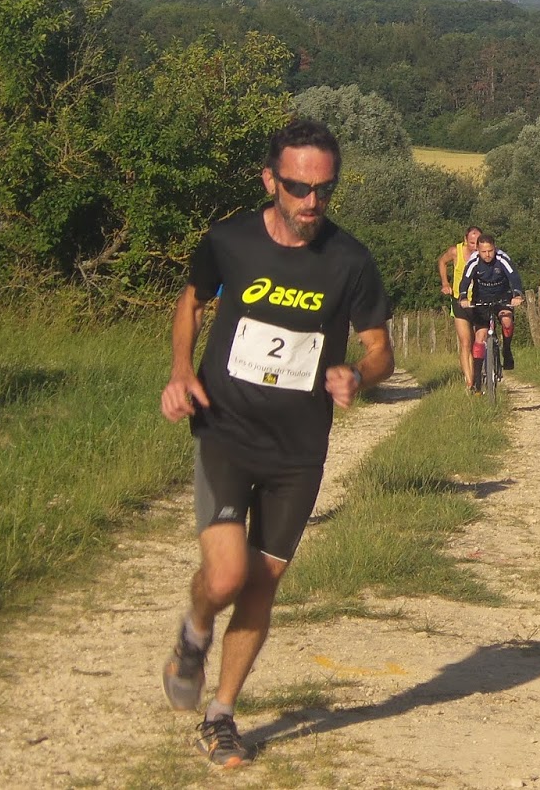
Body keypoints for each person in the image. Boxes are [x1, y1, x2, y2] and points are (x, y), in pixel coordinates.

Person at [158, 118, 393, 768]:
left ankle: (221, 714)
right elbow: (192, 302)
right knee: (226, 576)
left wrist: (359, 375)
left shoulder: (350, 261)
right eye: (297, 187)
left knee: (262, 584)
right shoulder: (229, 241)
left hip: (298, 450)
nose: (312, 201)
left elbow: (381, 350)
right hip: (226, 429)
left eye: (324, 189)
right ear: (270, 180)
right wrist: (180, 371)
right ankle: (195, 630)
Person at [456, 233, 524, 390]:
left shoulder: (502, 258)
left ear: (495, 248)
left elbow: (514, 277)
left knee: (507, 321)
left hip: (502, 297)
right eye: (483, 252)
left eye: (490, 251)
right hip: (481, 299)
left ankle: (506, 350)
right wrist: (463, 297)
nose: (487, 255)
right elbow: (465, 280)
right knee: (480, 337)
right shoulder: (473, 261)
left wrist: (517, 294)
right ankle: (477, 380)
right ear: (478, 250)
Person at [437, 226, 483, 388]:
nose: (475, 246)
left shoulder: (485, 253)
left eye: (477, 242)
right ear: (465, 240)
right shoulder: (455, 252)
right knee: (465, 342)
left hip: (478, 302)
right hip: (459, 301)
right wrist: (445, 283)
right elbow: (442, 262)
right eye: (471, 242)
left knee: (479, 341)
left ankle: (481, 372)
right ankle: (469, 381)